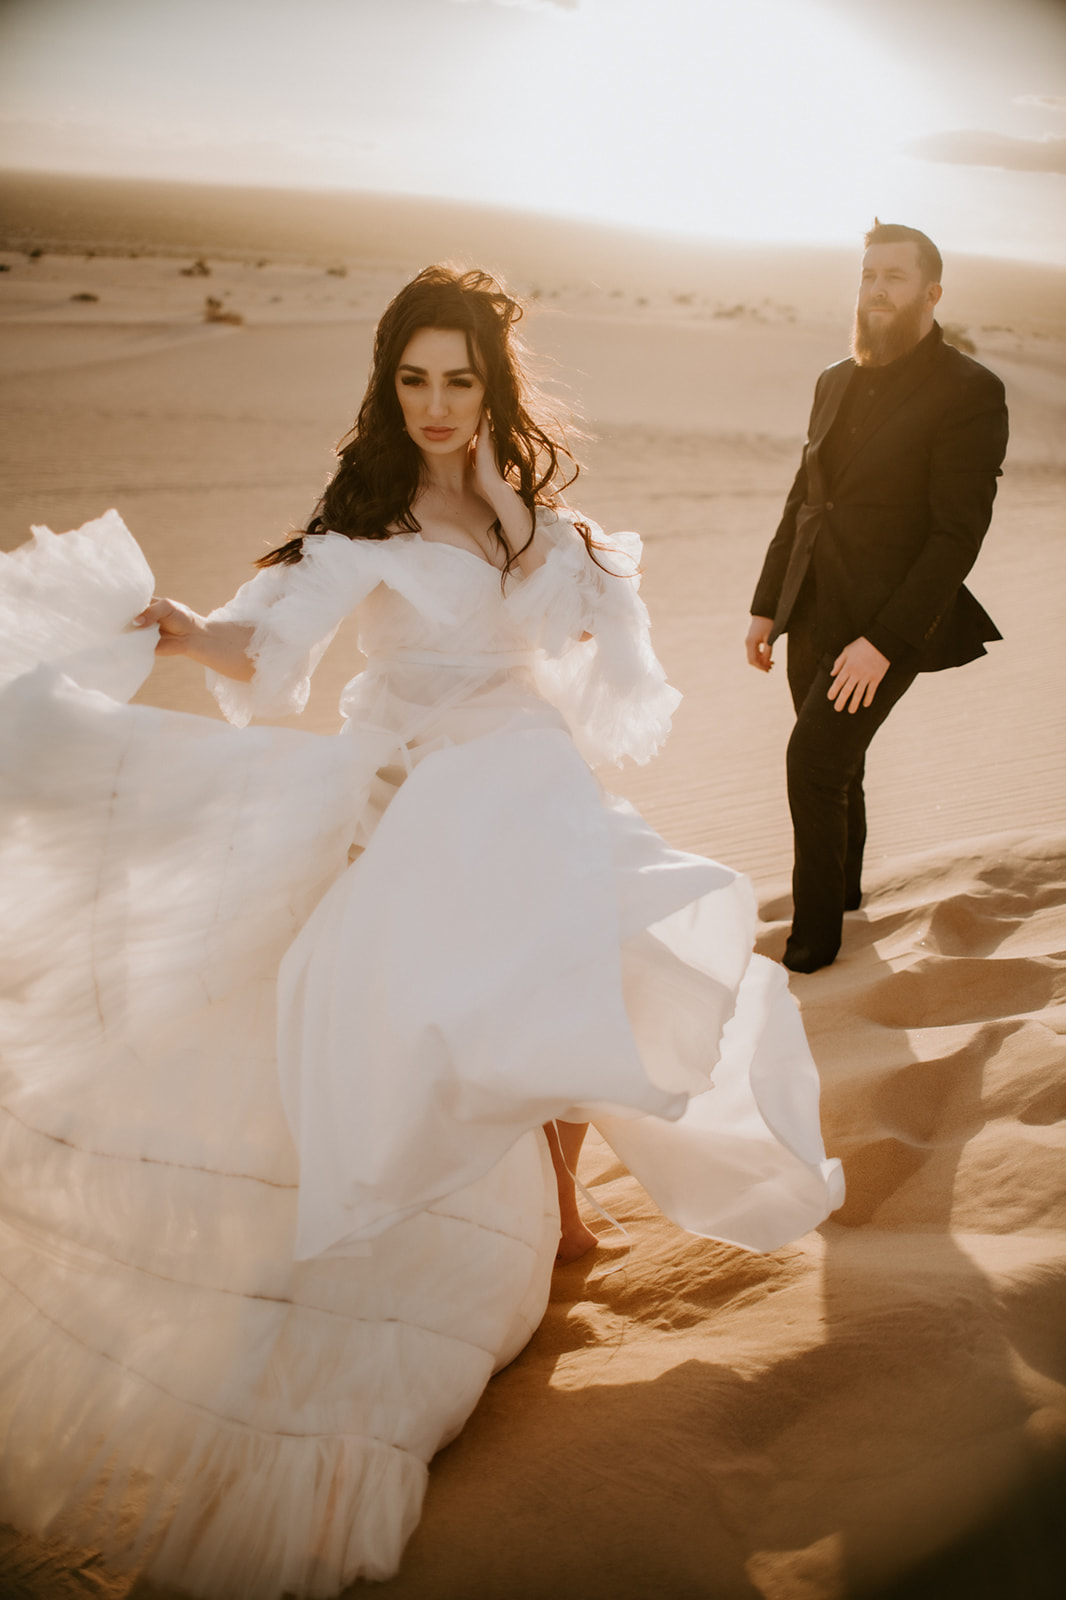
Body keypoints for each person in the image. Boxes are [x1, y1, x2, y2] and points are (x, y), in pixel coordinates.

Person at [0, 265, 842, 1600]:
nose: (437, 404)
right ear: (387, 386)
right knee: (441, 1003)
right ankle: (433, 1261)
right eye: (414, 379)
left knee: (594, 951)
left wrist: (590, 584)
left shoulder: (523, 513)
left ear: (490, 386)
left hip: (529, 775)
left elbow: (569, 650)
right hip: (416, 789)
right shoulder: (367, 520)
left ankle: (563, 1202)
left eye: (459, 378)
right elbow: (260, 642)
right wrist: (180, 632)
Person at [746, 222, 1009, 974]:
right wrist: (770, 603)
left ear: (931, 293)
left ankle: (812, 949)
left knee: (813, 762)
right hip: (813, 608)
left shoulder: (970, 391)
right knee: (840, 769)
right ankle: (849, 904)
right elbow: (806, 497)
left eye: (894, 276)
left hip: (888, 622)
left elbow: (956, 537)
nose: (877, 290)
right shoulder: (834, 379)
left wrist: (885, 641)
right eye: (867, 276)